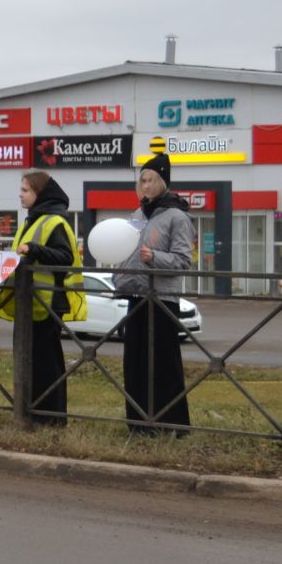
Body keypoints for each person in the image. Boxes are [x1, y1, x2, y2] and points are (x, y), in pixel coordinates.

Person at [115, 153, 196, 435]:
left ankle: (172, 426)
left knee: (163, 364)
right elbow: (126, 253)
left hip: (163, 300)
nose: (145, 186)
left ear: (163, 182)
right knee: (134, 363)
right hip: (135, 297)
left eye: (151, 180)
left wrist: (155, 259)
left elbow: (184, 260)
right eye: (142, 180)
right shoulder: (137, 215)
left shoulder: (178, 217)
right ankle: (138, 425)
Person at [0, 171, 85, 426]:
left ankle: (52, 418)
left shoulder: (54, 222)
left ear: (40, 193)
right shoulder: (33, 220)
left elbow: (64, 256)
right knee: (31, 364)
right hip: (31, 304)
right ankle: (32, 413)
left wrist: (34, 249)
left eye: (25, 190)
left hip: (47, 304)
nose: (20, 194)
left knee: (48, 366)